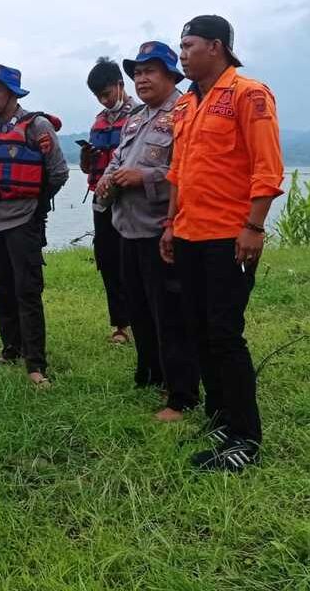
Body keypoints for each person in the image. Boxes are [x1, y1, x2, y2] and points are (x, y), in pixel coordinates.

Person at [161, 15, 284, 472]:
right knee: (198, 330)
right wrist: (170, 224)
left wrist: (253, 227)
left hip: (228, 238)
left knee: (224, 334)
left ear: (216, 47)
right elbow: (178, 172)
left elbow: (267, 167)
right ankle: (220, 417)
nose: (183, 54)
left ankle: (245, 438)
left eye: (189, 45)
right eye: (181, 46)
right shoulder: (187, 106)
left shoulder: (249, 95)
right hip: (189, 234)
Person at [97, 42, 200, 421]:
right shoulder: (136, 117)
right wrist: (109, 180)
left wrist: (145, 177)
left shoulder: (186, 113)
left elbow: (188, 172)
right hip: (128, 227)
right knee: (138, 308)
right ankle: (151, 373)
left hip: (163, 229)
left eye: (150, 71)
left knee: (170, 314)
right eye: (137, 72)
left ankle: (182, 394)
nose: (141, 78)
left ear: (172, 75)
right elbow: (119, 159)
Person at [0, 65, 69, 387]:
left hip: (23, 219)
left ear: (12, 93)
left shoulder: (36, 125)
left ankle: (35, 364)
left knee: (27, 289)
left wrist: (37, 205)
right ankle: (10, 348)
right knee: (1, 283)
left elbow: (58, 172)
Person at [84, 57, 135, 345]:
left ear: (120, 84)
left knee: (133, 262)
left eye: (106, 93)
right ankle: (120, 324)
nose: (103, 101)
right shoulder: (99, 122)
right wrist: (87, 160)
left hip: (131, 201)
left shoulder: (141, 114)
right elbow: (91, 167)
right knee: (108, 260)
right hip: (101, 199)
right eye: (98, 96)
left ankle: (143, 318)